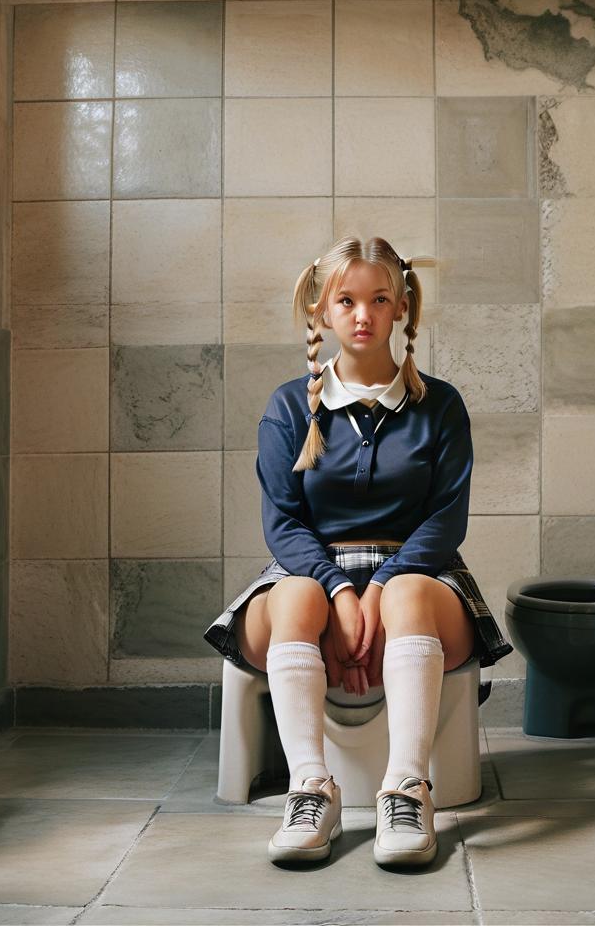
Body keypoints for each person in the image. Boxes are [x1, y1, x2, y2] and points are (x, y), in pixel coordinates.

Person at [203, 235, 512, 868]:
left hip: (419, 581)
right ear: (321, 311)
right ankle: (311, 788)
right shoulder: (290, 406)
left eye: (378, 299)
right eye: (346, 300)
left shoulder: (441, 406)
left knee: (403, 591)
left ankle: (407, 788)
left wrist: (378, 585)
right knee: (298, 594)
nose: (363, 315)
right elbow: (283, 523)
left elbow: (445, 520)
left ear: (402, 307)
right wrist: (338, 588)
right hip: (310, 574)